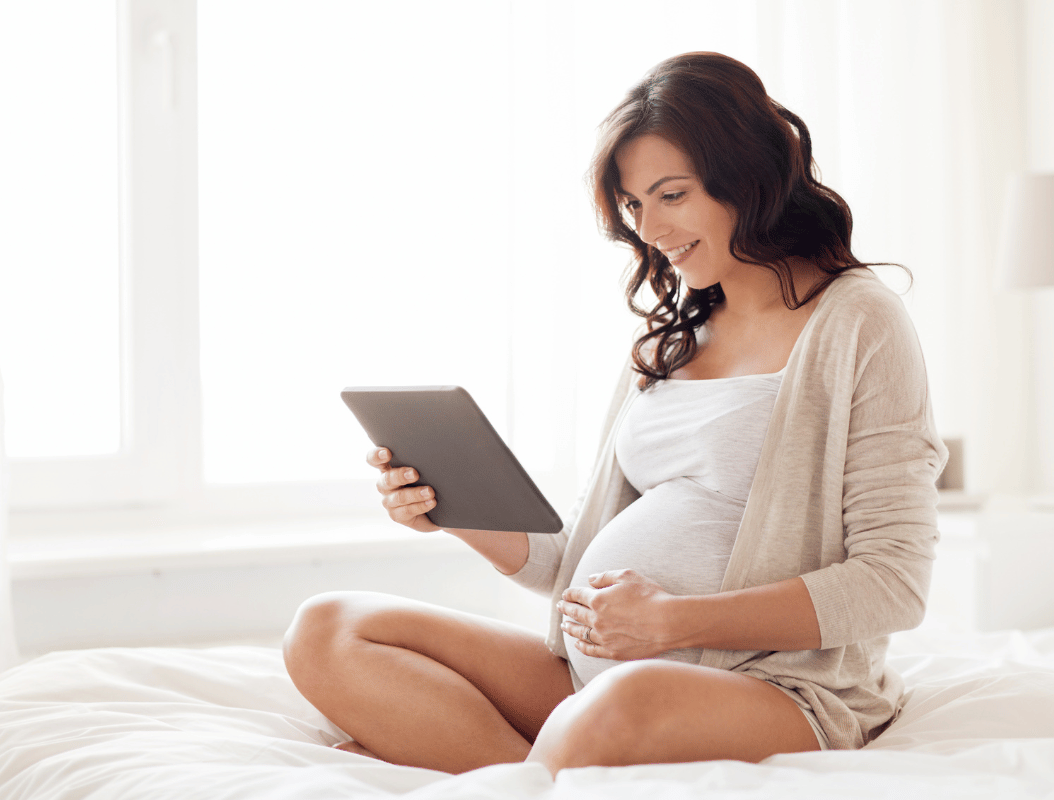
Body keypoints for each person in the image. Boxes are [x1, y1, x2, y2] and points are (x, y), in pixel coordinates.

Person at [282, 51, 947, 777]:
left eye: (672, 195)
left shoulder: (859, 321)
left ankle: (472, 758)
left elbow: (894, 582)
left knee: (622, 702)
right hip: (592, 675)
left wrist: (672, 622)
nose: (650, 228)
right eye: (634, 205)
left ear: (747, 175)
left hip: (768, 685)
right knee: (326, 629)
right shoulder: (670, 341)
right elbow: (572, 566)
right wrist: (451, 510)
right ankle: (526, 768)